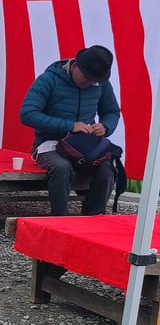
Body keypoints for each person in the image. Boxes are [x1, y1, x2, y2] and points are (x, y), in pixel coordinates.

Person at [19, 44, 120, 217]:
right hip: (48, 144)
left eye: (94, 80)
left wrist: (105, 126)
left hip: (84, 146)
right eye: (86, 77)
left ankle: (94, 219)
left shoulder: (101, 84)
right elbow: (27, 114)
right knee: (62, 167)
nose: (89, 82)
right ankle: (61, 220)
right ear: (74, 65)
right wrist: (69, 125)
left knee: (106, 169)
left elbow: (112, 112)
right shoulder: (49, 79)